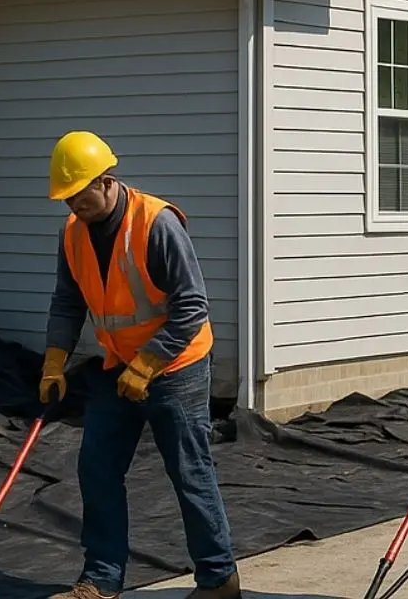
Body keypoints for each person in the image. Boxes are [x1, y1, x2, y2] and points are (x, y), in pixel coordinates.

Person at [39, 131, 241, 599]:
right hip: (117, 365)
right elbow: (67, 303)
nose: (73, 207)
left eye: (79, 195)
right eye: (66, 198)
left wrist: (149, 364)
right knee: (97, 466)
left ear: (105, 181)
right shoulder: (73, 235)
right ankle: (101, 581)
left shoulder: (156, 223)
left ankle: (218, 579)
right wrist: (53, 363)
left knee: (189, 470)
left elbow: (191, 307)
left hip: (177, 367)